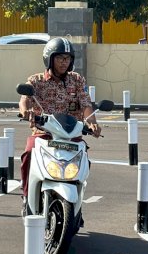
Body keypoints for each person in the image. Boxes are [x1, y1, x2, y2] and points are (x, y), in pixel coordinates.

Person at [18, 37, 100, 214]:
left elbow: (86, 104)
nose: (64, 62)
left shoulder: (77, 80)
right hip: (44, 133)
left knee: (85, 158)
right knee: (28, 154)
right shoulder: (36, 80)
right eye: (60, 58)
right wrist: (26, 112)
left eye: (67, 58)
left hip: (71, 135)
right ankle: (26, 196)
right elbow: (24, 99)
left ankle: (77, 207)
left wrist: (92, 123)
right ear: (49, 58)